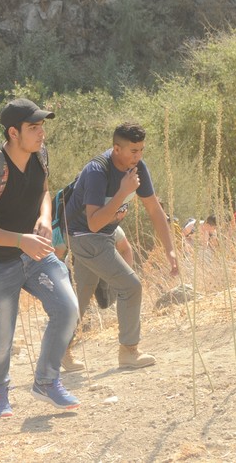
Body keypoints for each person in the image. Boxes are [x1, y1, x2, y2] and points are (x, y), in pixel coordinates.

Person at [0, 98, 80, 417]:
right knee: (1, 339)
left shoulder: (39, 155)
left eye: (42, 125)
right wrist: (20, 240)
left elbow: (45, 191)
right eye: (34, 127)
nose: (41, 132)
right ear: (13, 132)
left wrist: (45, 219)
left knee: (67, 308)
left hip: (36, 254)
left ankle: (46, 381)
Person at [65, 122, 179, 370]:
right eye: (133, 151)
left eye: (141, 150)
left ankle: (60, 351)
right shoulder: (98, 171)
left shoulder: (137, 166)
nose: (138, 156)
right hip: (85, 235)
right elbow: (94, 224)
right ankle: (129, 351)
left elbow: (154, 208)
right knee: (131, 286)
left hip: (102, 235)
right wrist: (123, 192)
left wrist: (170, 248)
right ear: (117, 148)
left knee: (83, 293)